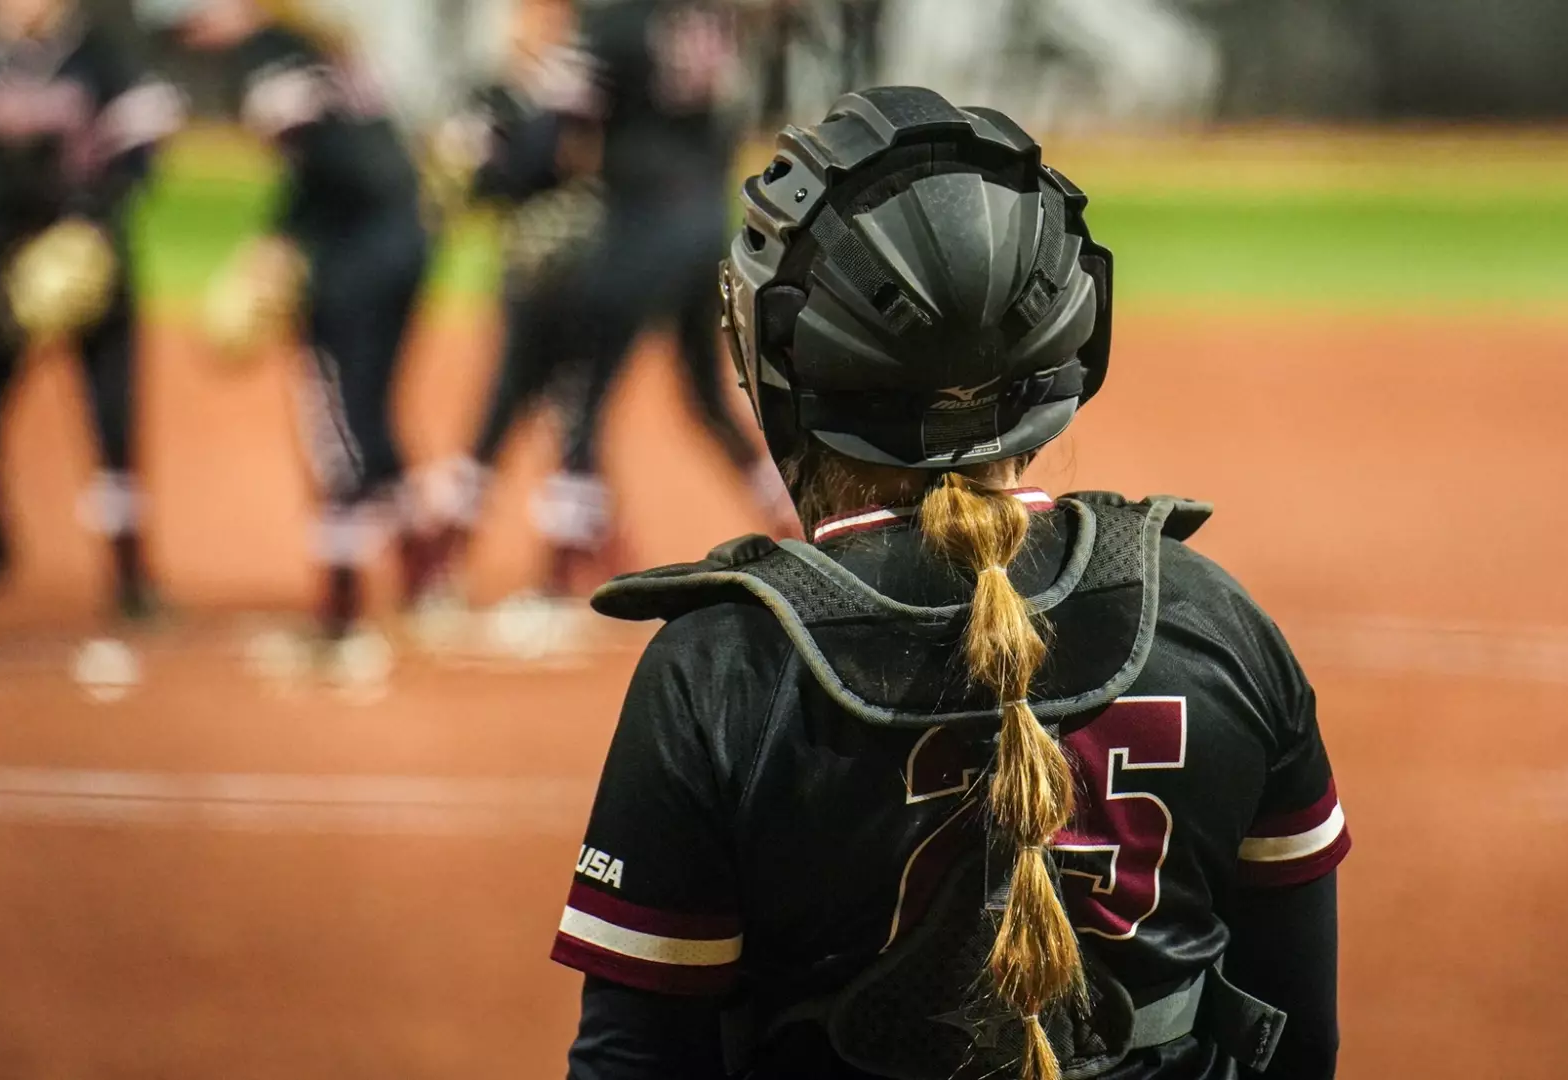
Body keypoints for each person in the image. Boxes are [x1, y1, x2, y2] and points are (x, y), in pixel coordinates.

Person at [551, 88, 1347, 1080]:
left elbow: (634, 1065)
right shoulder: (1215, 622)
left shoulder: (720, 672)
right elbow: (1296, 1041)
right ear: (1071, 341)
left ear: (778, 363)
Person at [138, 0, 434, 650]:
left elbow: (333, 172)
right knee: (370, 412)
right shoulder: (316, 44)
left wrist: (280, 241)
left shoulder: (268, 60)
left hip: (358, 253)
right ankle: (422, 561)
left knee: (332, 418)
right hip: (408, 239)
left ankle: (342, 605)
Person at [527, 0, 797, 595]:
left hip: (640, 224)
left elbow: (555, 133)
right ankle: (790, 512)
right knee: (706, 395)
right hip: (707, 222)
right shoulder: (705, 13)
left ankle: (566, 561)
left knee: (583, 389)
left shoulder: (610, 23)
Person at [0, 0, 181, 617]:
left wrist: (92, 221)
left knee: (113, 425)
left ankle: (131, 574)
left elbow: (146, 145)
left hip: (95, 258)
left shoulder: (101, 51)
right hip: (8, 262)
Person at [415, 0, 618, 608]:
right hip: (530, 282)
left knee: (575, 420)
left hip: (584, 281)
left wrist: (507, 155)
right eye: (525, 15)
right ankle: (447, 567)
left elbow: (547, 164)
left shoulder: (582, 85)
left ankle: (564, 579)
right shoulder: (498, 96)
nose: (531, 26)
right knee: (505, 416)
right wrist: (478, 163)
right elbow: (482, 186)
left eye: (544, 14)